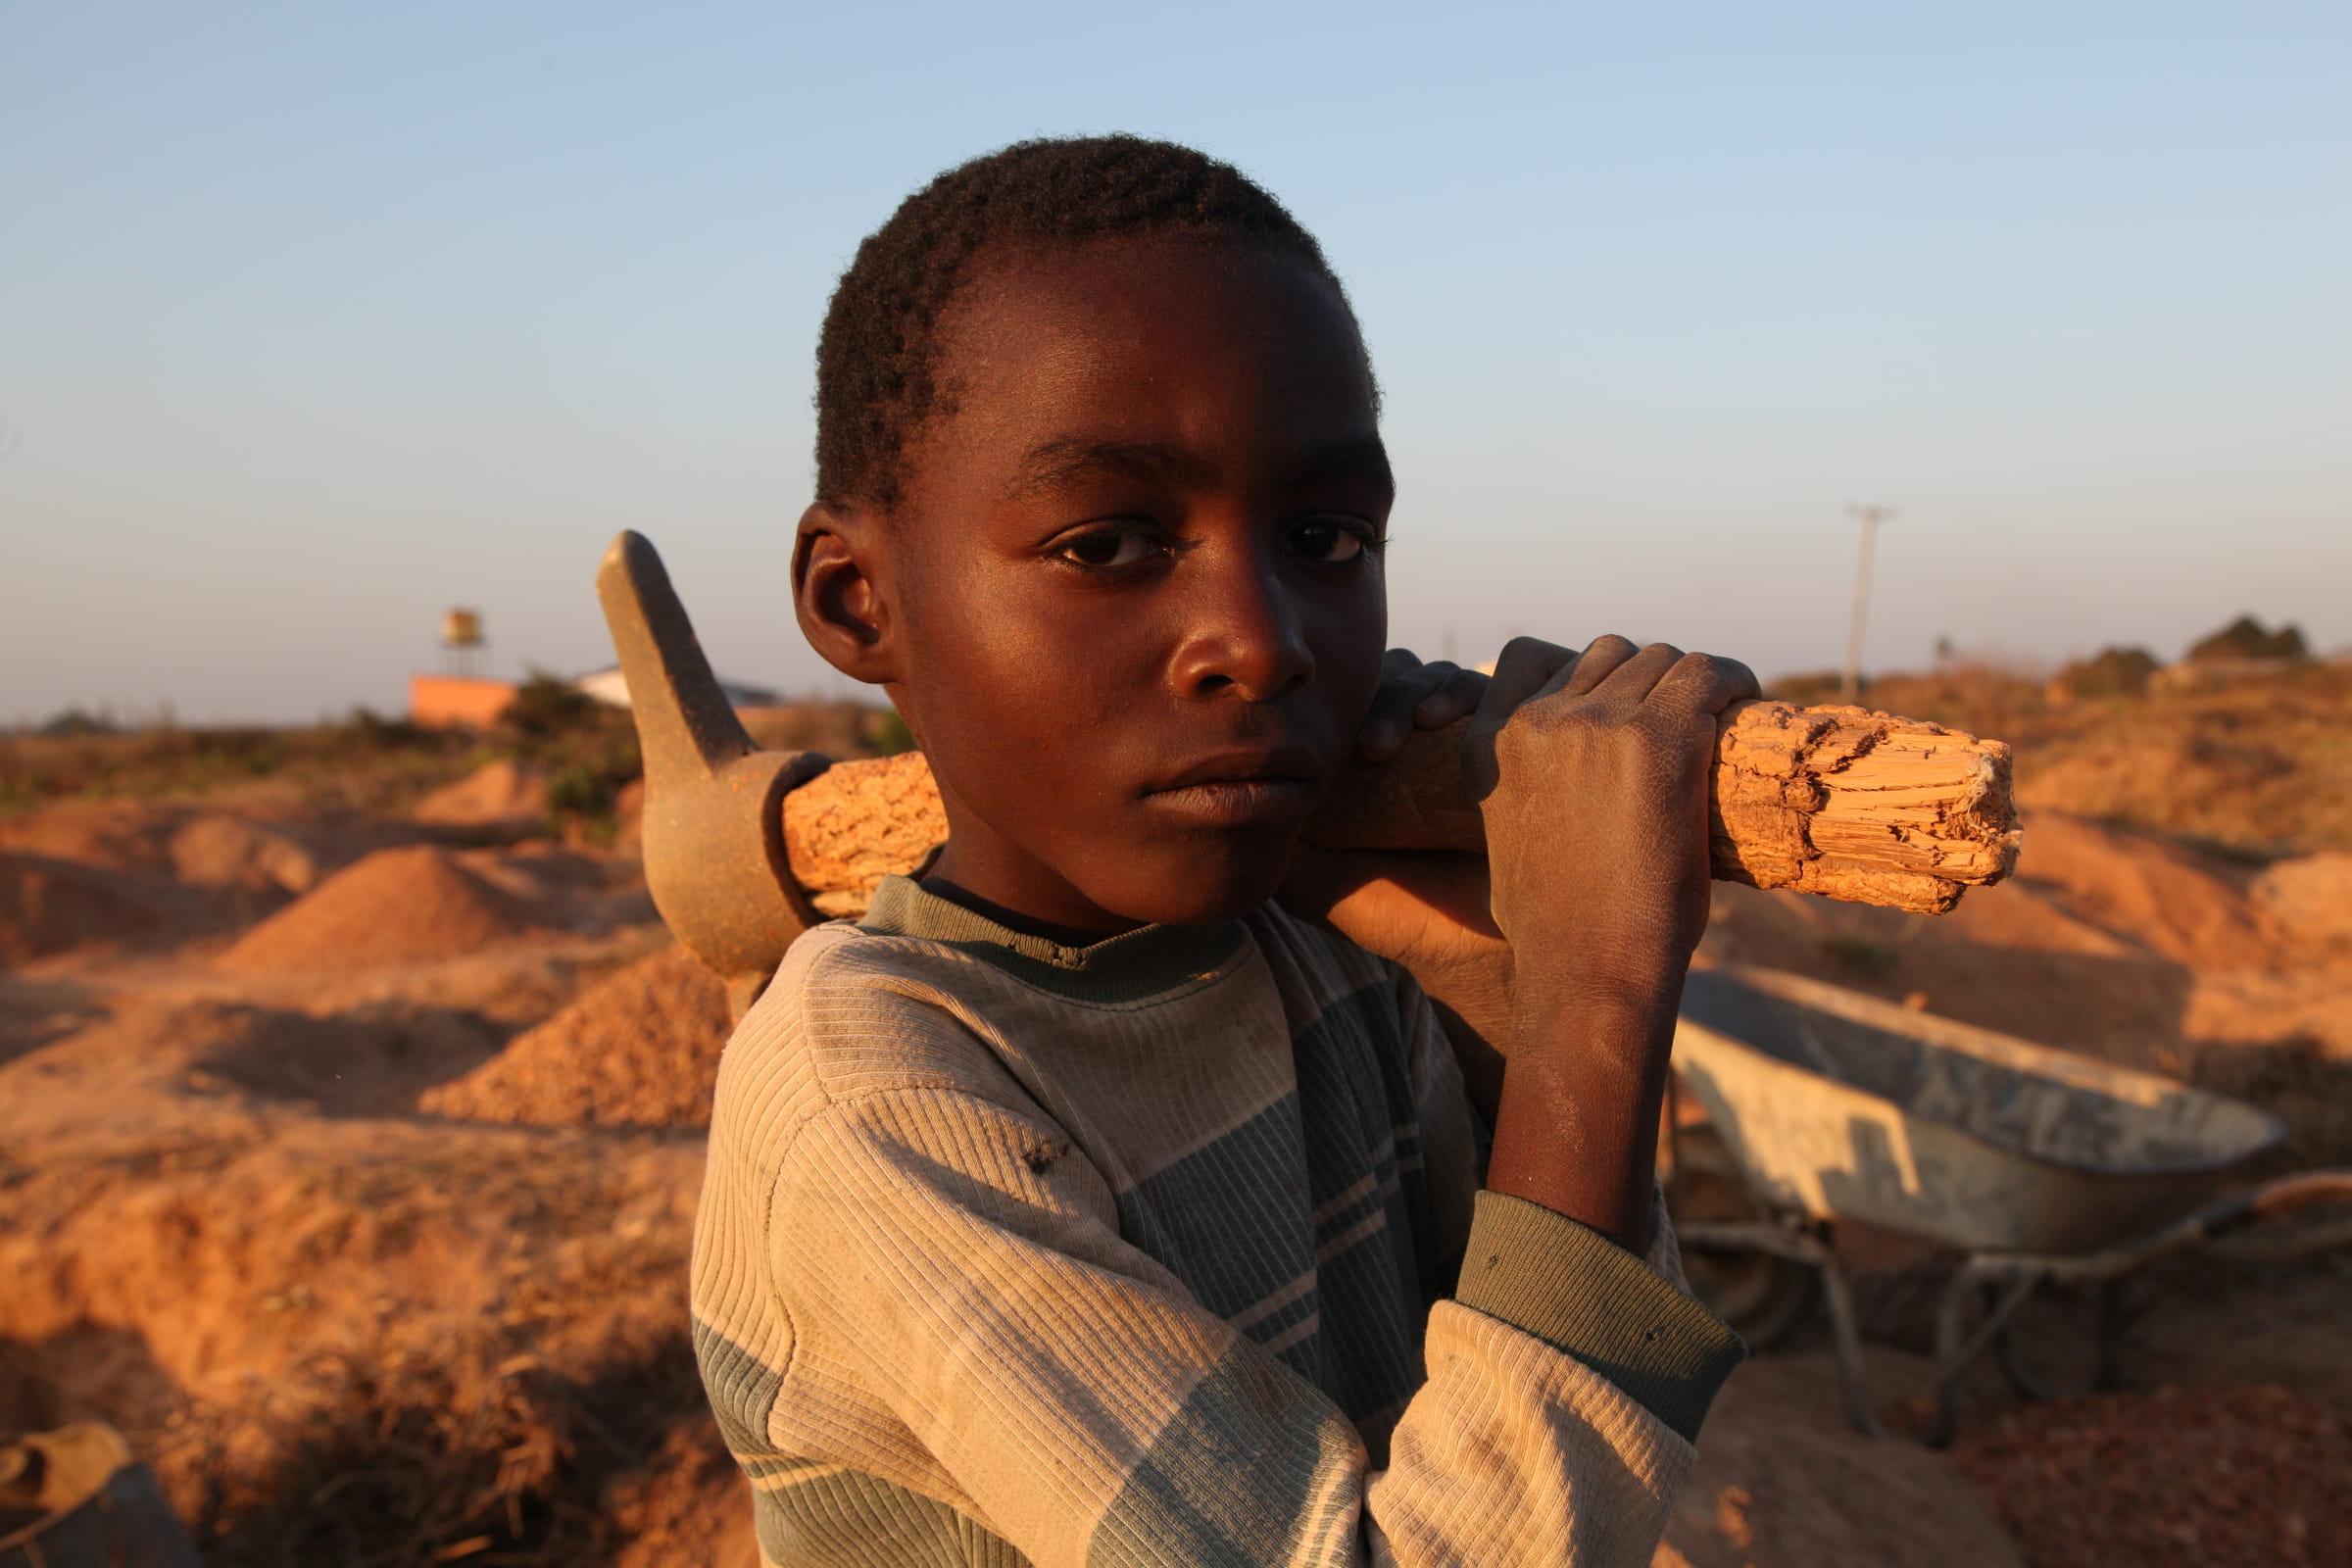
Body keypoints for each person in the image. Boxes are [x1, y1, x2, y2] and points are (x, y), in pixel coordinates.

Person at [692, 135, 1759, 1567]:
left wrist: (1498, 986)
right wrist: (1598, 1002)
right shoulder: (878, 1090)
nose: (1260, 642)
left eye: (1323, 537)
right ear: (856, 598)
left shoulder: (1330, 958)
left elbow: (1552, 1405)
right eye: (1110, 544)